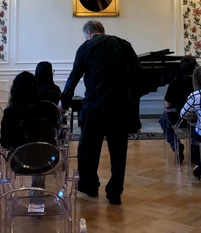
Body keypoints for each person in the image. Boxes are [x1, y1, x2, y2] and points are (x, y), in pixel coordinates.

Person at [61, 20, 142, 205]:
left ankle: (89, 186)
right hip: (119, 107)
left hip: (94, 106)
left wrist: (64, 102)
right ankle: (115, 193)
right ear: (102, 30)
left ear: (88, 34)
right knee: (118, 152)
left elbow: (73, 77)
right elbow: (138, 72)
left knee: (88, 150)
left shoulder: (85, 47)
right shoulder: (123, 44)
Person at [0, 71, 60, 150]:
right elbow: (55, 133)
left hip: (19, 156)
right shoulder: (48, 110)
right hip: (48, 155)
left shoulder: (10, 114)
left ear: (15, 91)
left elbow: (5, 143)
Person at [158, 56, 197, 163]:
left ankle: (176, 145)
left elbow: (168, 105)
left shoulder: (175, 83)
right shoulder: (199, 82)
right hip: (196, 118)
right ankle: (195, 148)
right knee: (195, 122)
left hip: (178, 119)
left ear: (181, 67)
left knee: (163, 119)